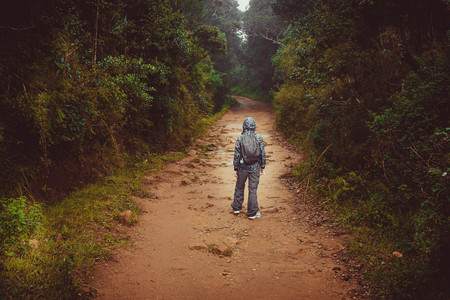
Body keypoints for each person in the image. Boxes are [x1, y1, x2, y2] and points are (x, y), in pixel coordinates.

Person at [231, 117, 266, 219]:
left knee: (239, 187)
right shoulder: (258, 137)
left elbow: (236, 155)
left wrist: (236, 168)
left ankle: (237, 208)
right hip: (255, 167)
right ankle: (252, 213)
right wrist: (262, 166)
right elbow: (262, 153)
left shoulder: (240, 138)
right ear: (254, 126)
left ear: (244, 126)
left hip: (242, 167)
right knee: (253, 189)